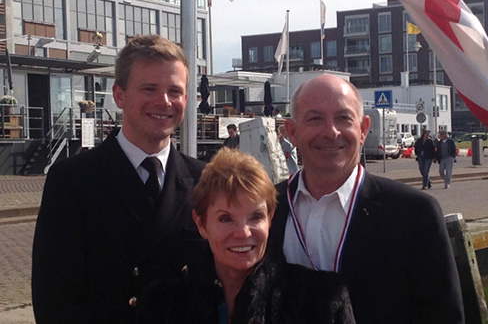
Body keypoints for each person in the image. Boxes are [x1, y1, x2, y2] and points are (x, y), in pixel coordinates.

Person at [32, 35, 207, 323]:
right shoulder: (72, 181)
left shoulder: (203, 180)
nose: (164, 101)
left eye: (175, 91)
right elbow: (54, 300)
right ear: (120, 95)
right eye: (149, 88)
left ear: (186, 100)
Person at [269, 74, 464, 323]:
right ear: (292, 132)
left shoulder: (414, 213)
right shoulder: (265, 209)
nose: (331, 131)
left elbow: (442, 316)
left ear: (363, 129)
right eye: (315, 119)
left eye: (344, 118)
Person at [137, 147, 355, 323]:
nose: (243, 232)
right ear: (201, 224)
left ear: (271, 218)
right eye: (225, 218)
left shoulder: (320, 301)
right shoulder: (163, 306)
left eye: (255, 217)